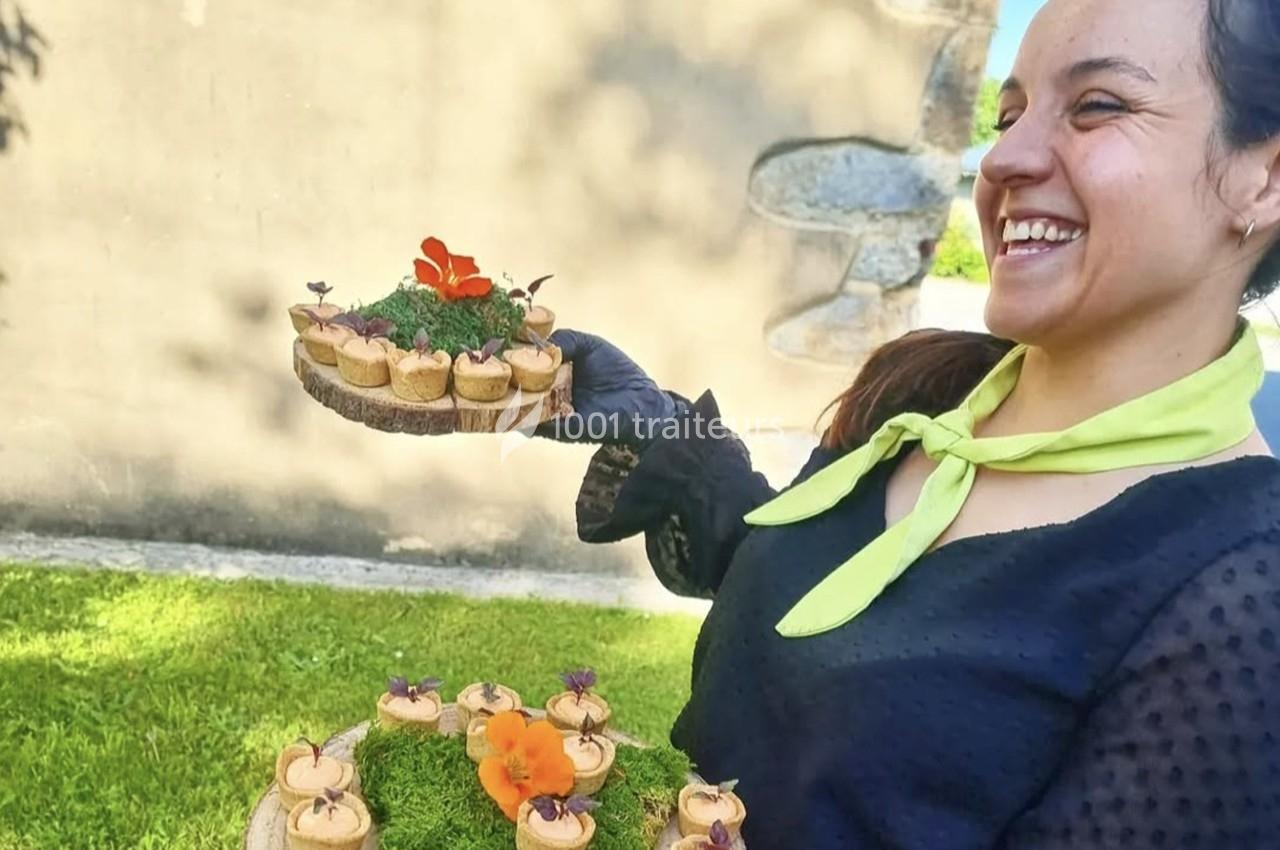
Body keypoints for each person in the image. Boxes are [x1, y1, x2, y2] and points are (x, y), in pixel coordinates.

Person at [538, 0, 1280, 846]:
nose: (1003, 157)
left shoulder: (1243, 598)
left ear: (1266, 175)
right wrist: (670, 434)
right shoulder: (923, 391)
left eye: (1097, 106)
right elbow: (806, 620)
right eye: (1007, 115)